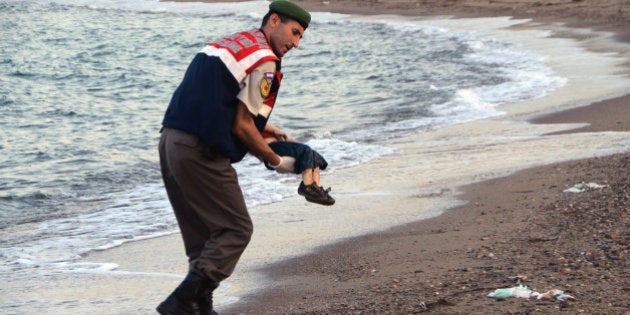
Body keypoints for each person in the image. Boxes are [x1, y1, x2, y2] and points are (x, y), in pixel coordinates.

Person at [156, 1, 311, 314]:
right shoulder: (266, 61)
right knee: (235, 230)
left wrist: (268, 129)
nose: (295, 43)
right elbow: (241, 126)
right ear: (274, 20)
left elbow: (220, 99)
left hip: (171, 141)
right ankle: (181, 302)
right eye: (294, 33)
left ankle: (201, 308)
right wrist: (275, 160)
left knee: (202, 240)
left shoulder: (231, 42)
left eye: (300, 38)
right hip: (200, 152)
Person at [261, 123, 335, 205]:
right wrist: (275, 130)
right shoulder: (255, 123)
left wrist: (302, 148)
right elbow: (259, 123)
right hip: (271, 148)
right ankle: (307, 187)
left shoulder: (270, 129)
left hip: (281, 145)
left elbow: (288, 139)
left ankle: (316, 191)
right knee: (306, 150)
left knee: (314, 156)